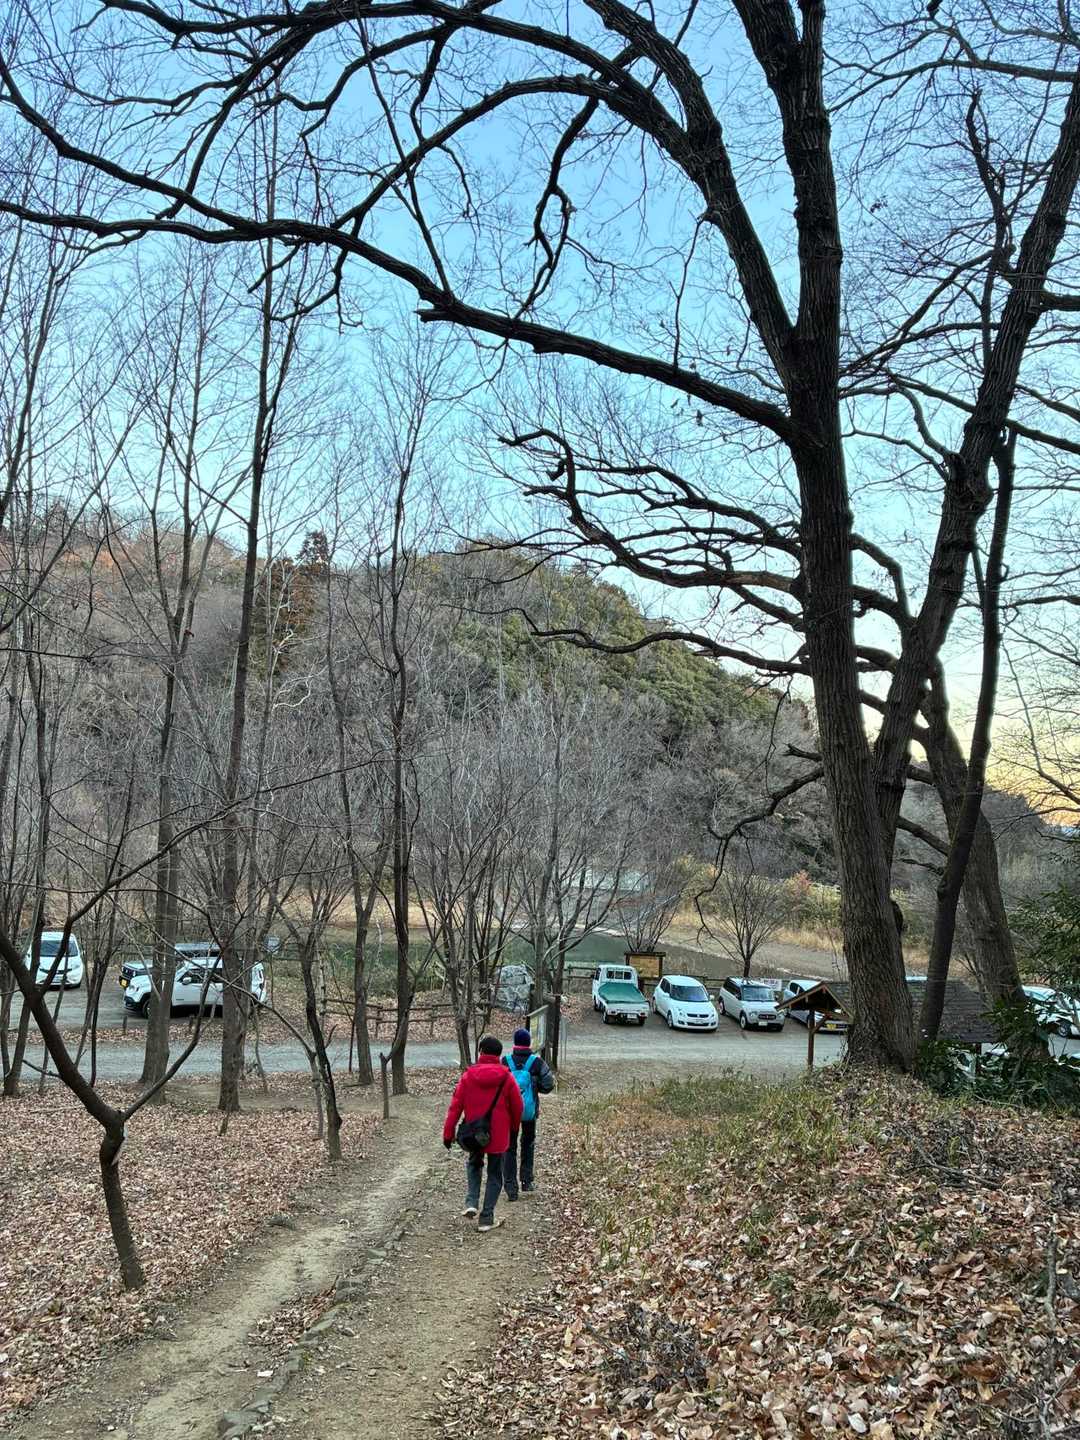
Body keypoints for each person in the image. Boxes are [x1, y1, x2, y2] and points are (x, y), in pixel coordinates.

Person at [443, 1035, 523, 1232]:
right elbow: (518, 1106)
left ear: (480, 1052)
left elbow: (455, 1106)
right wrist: (513, 1128)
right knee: (495, 1174)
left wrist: (448, 1133)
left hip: (475, 1133)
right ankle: (486, 1218)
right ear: (499, 1055)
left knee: (474, 1163)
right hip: (499, 1135)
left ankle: (471, 1201)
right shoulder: (506, 1077)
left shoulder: (468, 1076)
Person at [502, 1027, 555, 1201]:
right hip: (529, 1111)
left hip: (509, 1112)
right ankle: (526, 1181)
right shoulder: (537, 1062)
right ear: (528, 1043)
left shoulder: (505, 1062)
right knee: (528, 1143)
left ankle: (510, 1187)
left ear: (515, 1043)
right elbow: (548, 1085)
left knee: (509, 1147)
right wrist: (534, 1088)